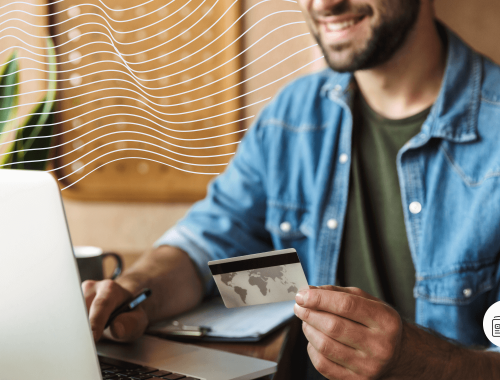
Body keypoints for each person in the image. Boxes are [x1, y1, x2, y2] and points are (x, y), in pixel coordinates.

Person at [83, 0, 500, 378]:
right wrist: (134, 294)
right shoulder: (290, 117)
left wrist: (421, 361)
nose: (325, 5)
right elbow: (205, 245)